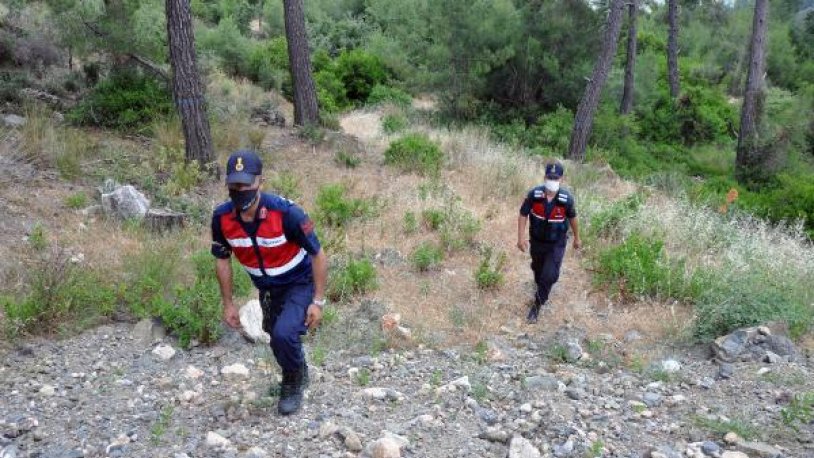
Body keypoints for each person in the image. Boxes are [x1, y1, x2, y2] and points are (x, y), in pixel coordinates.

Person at [211, 150, 328, 415]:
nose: (239, 190)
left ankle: (292, 383)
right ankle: (298, 370)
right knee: (275, 339)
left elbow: (318, 254)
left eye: (245, 184)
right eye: (233, 185)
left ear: (259, 182)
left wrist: (318, 301)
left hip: (299, 282)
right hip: (267, 288)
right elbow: (222, 259)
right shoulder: (222, 219)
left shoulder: (287, 213)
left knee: (284, 334)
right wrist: (228, 303)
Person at [517, 161, 581, 324]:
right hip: (537, 241)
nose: (552, 180)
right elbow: (523, 214)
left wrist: (577, 238)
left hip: (556, 243)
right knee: (538, 270)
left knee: (550, 274)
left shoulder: (566, 199)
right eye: (549, 177)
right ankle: (540, 284)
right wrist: (520, 238)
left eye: (556, 177)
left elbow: (573, 218)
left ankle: (537, 305)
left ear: (561, 179)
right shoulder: (534, 194)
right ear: (545, 177)